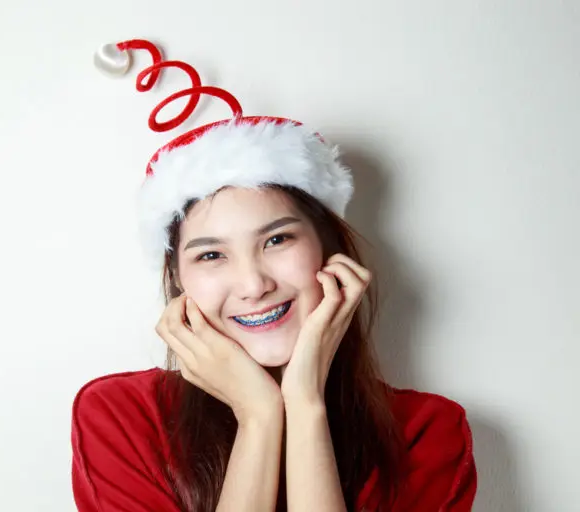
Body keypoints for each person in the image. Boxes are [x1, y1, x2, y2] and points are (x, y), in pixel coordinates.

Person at [72, 39, 477, 511]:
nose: (253, 285)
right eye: (210, 256)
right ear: (179, 283)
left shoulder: (427, 430)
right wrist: (259, 415)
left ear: (331, 251)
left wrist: (304, 405)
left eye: (277, 240)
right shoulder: (122, 416)